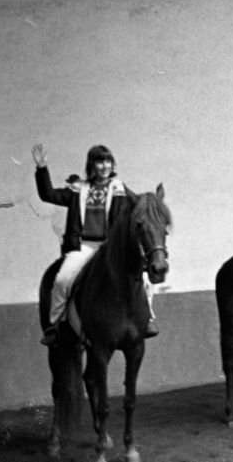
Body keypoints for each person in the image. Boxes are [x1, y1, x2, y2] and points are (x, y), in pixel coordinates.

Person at [34, 143, 158, 345]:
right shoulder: (78, 190)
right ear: (92, 165)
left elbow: (139, 204)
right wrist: (41, 169)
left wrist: (153, 202)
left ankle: (148, 318)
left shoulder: (120, 191)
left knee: (144, 279)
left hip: (111, 250)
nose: (105, 166)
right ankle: (55, 325)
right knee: (61, 281)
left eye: (108, 161)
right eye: (100, 162)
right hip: (83, 246)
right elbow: (47, 194)